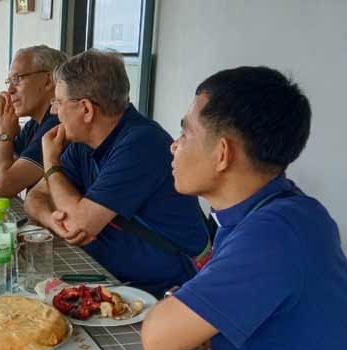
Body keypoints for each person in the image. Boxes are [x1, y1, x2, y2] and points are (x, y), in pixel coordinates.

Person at [120, 66, 347, 350]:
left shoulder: (276, 233)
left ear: (222, 154)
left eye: (186, 132)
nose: (174, 145)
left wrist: (177, 311)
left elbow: (158, 336)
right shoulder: (275, 211)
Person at [25, 49, 210, 297]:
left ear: (86, 109)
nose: (53, 112)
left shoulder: (141, 144)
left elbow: (78, 224)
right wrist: (55, 223)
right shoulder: (83, 142)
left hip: (165, 292)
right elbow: (34, 198)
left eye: (58, 102)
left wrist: (51, 162)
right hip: (109, 277)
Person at [0, 45, 67, 198]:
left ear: (48, 80)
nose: (10, 90)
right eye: (9, 81)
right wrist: (0, 120)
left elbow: (4, 187)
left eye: (17, 79)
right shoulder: (34, 124)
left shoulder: (56, 123)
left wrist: (5, 135)